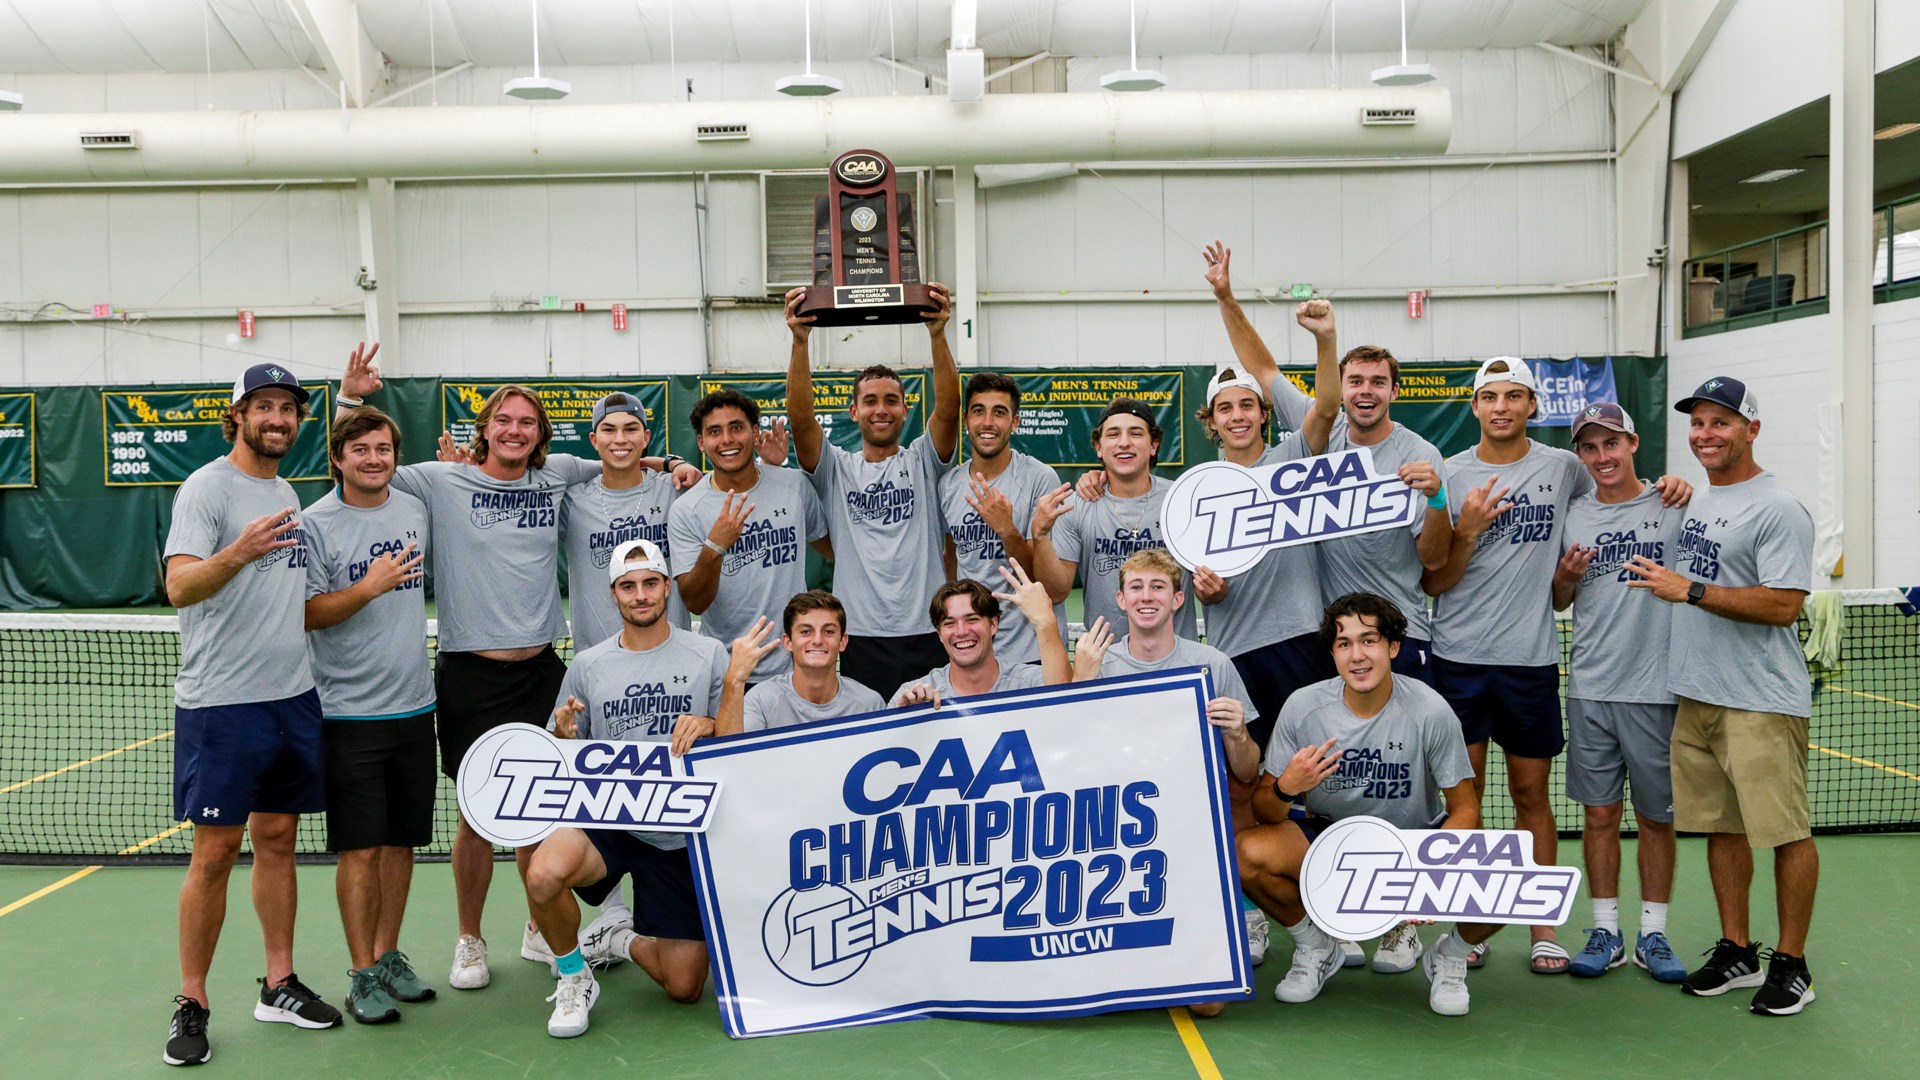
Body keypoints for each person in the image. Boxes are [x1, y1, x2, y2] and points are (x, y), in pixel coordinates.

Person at [335, 344, 700, 992]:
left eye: (526, 422)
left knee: (545, 804)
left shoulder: (557, 473)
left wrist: (672, 462)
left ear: (540, 434)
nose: (514, 430)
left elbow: (620, 457)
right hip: (471, 671)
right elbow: (362, 469)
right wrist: (351, 401)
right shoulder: (441, 480)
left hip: (543, 667)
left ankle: (541, 925)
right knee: (479, 815)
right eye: (504, 421)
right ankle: (469, 939)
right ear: (485, 430)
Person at [1423, 356, 1688, 974]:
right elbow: (1435, 580)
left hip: (1531, 662)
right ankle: (1474, 927)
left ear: (1532, 407)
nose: (1502, 407)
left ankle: (1544, 930)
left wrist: (1671, 485)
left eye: (1514, 396)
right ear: (1475, 407)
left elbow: (1615, 491)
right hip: (1458, 661)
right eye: (1490, 396)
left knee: (1531, 795)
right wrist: (1466, 530)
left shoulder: (1563, 467)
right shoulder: (1449, 475)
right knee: (1468, 801)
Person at [163, 363, 341, 1066]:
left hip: (290, 698)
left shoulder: (287, 491)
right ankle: (191, 1000)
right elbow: (178, 585)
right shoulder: (206, 488)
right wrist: (237, 552)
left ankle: (278, 983)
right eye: (262, 406)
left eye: (287, 408)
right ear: (236, 415)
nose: (276, 418)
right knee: (213, 856)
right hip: (222, 705)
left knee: (277, 840)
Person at [1622, 378, 1817, 1016]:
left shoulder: (1779, 507)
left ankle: (1793, 964)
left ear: (1751, 430)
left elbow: (1785, 605)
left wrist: (1693, 591)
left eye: (1721, 423)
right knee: (1721, 829)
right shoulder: (1705, 499)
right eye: (1698, 423)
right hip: (1697, 697)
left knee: (1785, 834)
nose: (1705, 434)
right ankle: (1738, 949)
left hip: (1759, 701)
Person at [1205, 240, 1453, 683]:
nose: (1365, 391)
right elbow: (1261, 368)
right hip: (1335, 640)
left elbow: (1433, 562)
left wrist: (1437, 501)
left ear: (1394, 392)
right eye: (1354, 380)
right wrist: (1226, 296)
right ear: (1339, 387)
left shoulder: (1420, 455)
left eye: (1378, 382)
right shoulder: (1320, 429)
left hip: (1401, 635)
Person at [1235, 593, 1484, 1016]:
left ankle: (1450, 955)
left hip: (1410, 846)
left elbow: (1465, 808)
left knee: (1500, 877)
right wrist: (1286, 788)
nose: (1357, 655)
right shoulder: (1303, 707)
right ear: (1332, 653)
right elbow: (1264, 812)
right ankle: (1317, 948)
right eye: (1344, 643)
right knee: (1246, 855)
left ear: (1393, 647)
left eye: (1369, 640)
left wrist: (1427, 872)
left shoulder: (1429, 709)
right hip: (1331, 844)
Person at [523, 539, 729, 1038]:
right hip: (611, 816)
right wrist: (564, 737)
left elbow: (737, 734)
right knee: (543, 873)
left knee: (684, 988)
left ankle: (616, 936)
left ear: (666, 588)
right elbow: (562, 747)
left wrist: (709, 722)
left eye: (650, 584)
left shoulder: (708, 653)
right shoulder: (589, 664)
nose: (641, 595)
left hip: (679, 831)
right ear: (613, 594)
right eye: (628, 586)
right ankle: (574, 975)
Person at [1069, 548, 1260, 1019]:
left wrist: (1237, 734)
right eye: (1136, 587)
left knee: (1209, 1006)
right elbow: (1069, 762)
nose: (1146, 597)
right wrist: (1082, 681)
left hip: (1192, 838)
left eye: (1158, 588)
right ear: (1120, 598)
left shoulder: (1213, 664)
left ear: (1178, 600)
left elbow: (1248, 772)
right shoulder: (1097, 663)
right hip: (1119, 837)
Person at [302, 407, 438, 1023]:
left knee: (401, 843)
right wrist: (368, 587)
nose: (374, 459)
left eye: (383, 449)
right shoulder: (315, 525)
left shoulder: (412, 506)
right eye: (360, 450)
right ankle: (360, 974)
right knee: (359, 849)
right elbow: (308, 613)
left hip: (416, 708)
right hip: (348, 715)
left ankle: (387, 958)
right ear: (338, 459)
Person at [1550, 402, 1687, 983]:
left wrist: (1680, 483)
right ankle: (1605, 930)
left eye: (1612, 444)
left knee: (1657, 818)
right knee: (1600, 815)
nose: (1602, 457)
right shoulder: (1573, 514)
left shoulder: (1673, 503)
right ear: (1580, 455)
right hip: (1590, 689)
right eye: (1590, 448)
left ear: (1633, 443)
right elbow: (1558, 600)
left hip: (1658, 691)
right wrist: (1569, 577)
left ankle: (1653, 933)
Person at [784, 282, 961, 701]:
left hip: (926, 627)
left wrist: (937, 333)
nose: (880, 409)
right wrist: (799, 341)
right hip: (861, 634)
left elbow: (949, 409)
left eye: (891, 400)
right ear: (853, 411)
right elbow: (801, 419)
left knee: (931, 731)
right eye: (870, 401)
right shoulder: (836, 469)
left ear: (904, 408)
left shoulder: (922, 461)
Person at [666, 388, 832, 689]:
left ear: (755, 434)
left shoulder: (794, 485)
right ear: (702, 443)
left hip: (796, 667)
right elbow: (695, 602)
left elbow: (832, 547)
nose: (727, 440)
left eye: (737, 428)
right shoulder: (686, 510)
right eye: (715, 432)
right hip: (729, 673)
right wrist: (715, 546)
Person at [1030, 399, 1196, 642]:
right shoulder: (1074, 507)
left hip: (1177, 661)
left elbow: (1211, 586)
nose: (1124, 442)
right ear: (1099, 447)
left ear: (1154, 445)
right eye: (1113, 434)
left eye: (1136, 433)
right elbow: (1055, 592)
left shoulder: (1184, 501)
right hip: (1105, 661)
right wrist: (1040, 535)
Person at [939, 372, 1069, 665]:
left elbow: (1048, 585)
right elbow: (952, 559)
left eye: (999, 413)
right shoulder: (948, 485)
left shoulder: (1040, 479)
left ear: (1015, 422)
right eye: (978, 411)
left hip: (1032, 652)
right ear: (965, 420)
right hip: (974, 650)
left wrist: (1007, 530)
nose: (987, 422)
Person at [890, 563, 1071, 708]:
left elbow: (1065, 706)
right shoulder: (914, 696)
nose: (961, 631)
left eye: (972, 619)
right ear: (939, 634)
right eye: (949, 623)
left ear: (993, 624)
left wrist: (1045, 623)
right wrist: (905, 722)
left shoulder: (1029, 682)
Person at [719, 591, 887, 734]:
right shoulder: (762, 700)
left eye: (828, 631)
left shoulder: (870, 704)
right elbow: (733, 758)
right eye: (806, 631)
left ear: (843, 641)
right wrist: (735, 680)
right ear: (788, 642)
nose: (817, 640)